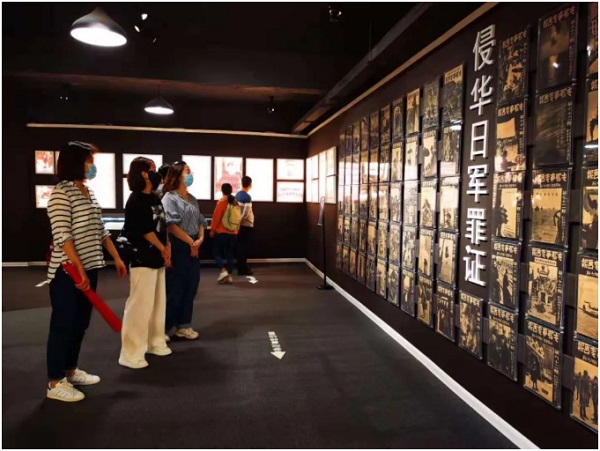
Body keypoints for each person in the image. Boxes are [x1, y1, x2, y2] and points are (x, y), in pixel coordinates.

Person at [46, 141, 127, 402]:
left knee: (80, 323)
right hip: (67, 271)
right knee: (63, 323)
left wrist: (116, 257)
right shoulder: (61, 193)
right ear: (75, 162)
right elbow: (62, 234)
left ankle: (70, 370)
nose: (92, 166)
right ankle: (55, 382)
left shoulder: (88, 191)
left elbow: (100, 229)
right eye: (89, 161)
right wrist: (78, 268)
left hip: (89, 268)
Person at [119, 157, 172, 370]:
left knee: (158, 304)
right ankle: (131, 352)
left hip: (157, 256)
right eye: (152, 169)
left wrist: (166, 246)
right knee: (139, 306)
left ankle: (155, 341)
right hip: (142, 256)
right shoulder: (136, 199)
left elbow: (161, 225)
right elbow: (144, 230)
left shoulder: (154, 197)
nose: (156, 173)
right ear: (143, 173)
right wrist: (162, 248)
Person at [162, 162, 207, 340]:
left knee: (191, 285)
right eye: (187, 171)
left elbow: (201, 220)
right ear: (178, 175)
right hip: (179, 245)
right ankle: (164, 328)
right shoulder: (169, 198)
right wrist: (191, 243)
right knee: (175, 288)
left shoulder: (192, 198)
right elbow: (171, 226)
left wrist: (200, 239)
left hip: (193, 244)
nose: (190, 175)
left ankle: (184, 324)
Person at [210, 183, 239, 284]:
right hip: (233, 233)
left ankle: (223, 271)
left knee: (216, 253)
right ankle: (229, 276)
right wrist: (236, 231)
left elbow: (216, 218)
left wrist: (212, 230)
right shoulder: (235, 203)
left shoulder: (221, 202)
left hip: (222, 233)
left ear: (222, 191)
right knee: (229, 254)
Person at [235, 176, 254, 275]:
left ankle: (241, 267)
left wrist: (237, 223)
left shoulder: (237, 195)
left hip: (238, 226)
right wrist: (240, 222)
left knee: (240, 247)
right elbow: (246, 214)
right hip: (246, 226)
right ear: (250, 184)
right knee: (244, 248)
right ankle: (243, 269)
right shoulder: (247, 197)